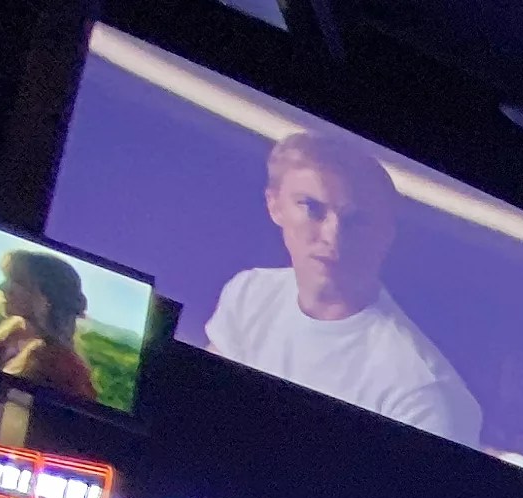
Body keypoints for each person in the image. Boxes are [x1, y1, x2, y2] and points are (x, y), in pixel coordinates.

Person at [204, 131, 482, 446]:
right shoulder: (249, 294)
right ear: (274, 205)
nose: (332, 237)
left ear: (385, 235)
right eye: (312, 208)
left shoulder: (423, 392)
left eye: (356, 220)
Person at [0, 250, 101, 407]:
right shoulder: (8, 336)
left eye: (19, 282)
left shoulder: (65, 369)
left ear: (47, 298)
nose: (3, 287)